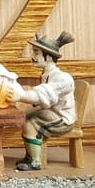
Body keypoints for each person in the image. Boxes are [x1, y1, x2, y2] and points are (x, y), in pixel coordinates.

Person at [11, 31, 76, 171]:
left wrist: (21, 95)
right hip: (52, 113)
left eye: (36, 52)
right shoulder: (47, 75)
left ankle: (35, 161)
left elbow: (44, 94)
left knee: (30, 123)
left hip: (63, 119)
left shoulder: (62, 78)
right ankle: (30, 156)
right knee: (25, 116)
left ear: (49, 57)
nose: (33, 56)